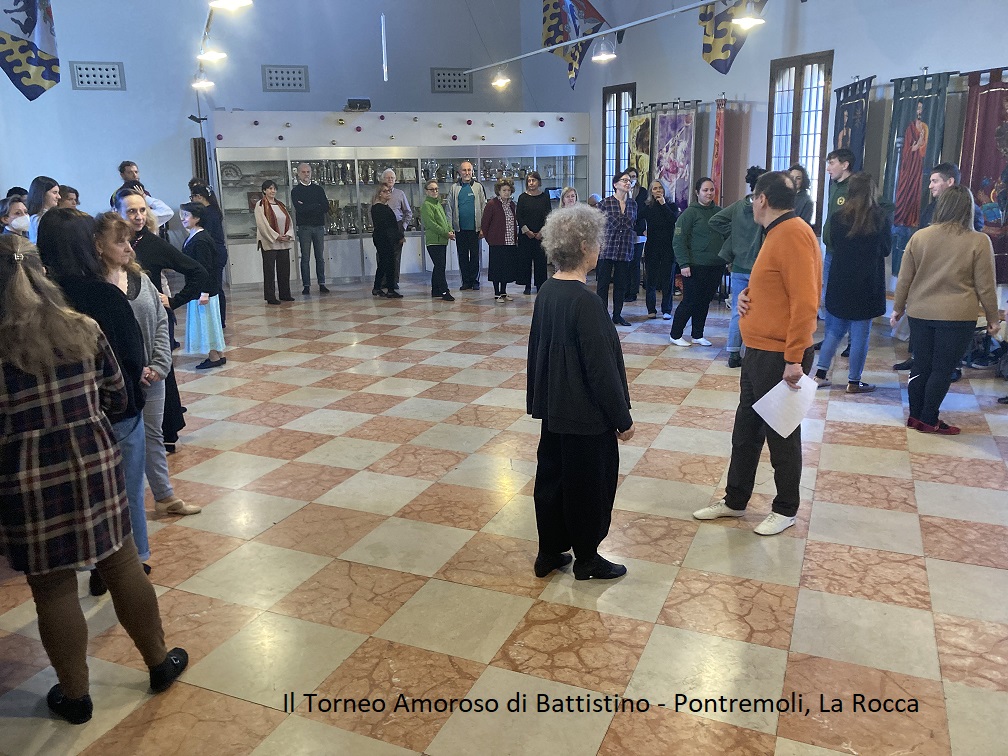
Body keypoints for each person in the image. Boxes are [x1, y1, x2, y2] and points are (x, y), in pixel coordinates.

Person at [0, 235, 188, 725]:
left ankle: (75, 696)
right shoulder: (82, 327)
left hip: (25, 475)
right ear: (42, 272)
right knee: (122, 565)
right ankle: (158, 662)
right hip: (94, 462)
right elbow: (116, 395)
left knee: (52, 588)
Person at [692, 172, 821, 536]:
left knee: (782, 436)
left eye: (752, 198)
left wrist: (794, 358)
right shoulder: (776, 231)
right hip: (759, 350)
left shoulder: (793, 232)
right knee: (745, 431)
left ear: (762, 198)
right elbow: (776, 283)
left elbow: (806, 300)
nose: (751, 204)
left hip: (779, 355)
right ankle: (735, 500)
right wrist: (748, 296)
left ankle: (786, 508)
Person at [35, 208, 152, 594]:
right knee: (127, 494)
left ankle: (93, 564)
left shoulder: (34, 301)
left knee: (77, 504)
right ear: (90, 245)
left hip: (55, 420)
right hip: (112, 413)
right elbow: (131, 357)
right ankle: (129, 564)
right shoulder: (102, 295)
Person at [527, 204, 634, 580]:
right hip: (586, 417)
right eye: (598, 241)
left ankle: (549, 552)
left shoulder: (547, 290)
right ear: (585, 246)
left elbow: (539, 351)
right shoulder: (587, 302)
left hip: (556, 409)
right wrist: (621, 418)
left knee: (553, 481)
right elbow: (601, 369)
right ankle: (587, 558)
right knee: (589, 487)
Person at [94, 212, 200, 517]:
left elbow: (161, 323)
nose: (129, 248)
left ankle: (164, 495)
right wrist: (132, 369)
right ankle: (124, 506)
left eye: (129, 241)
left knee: (153, 434)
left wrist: (159, 364)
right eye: (120, 242)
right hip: (121, 378)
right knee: (124, 441)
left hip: (152, 375)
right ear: (99, 245)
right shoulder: (94, 286)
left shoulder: (140, 279)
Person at [891, 186, 1000, 434]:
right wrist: (992, 318)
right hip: (957, 316)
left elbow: (905, 278)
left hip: (920, 312)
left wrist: (897, 308)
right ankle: (929, 419)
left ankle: (915, 416)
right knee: (942, 370)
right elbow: (985, 286)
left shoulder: (920, 236)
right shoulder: (979, 241)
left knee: (920, 365)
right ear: (968, 209)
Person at [115, 190, 207, 454]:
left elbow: (197, 271)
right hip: (125, 320)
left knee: (162, 373)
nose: (138, 216)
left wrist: (174, 301)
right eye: (131, 211)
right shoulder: (111, 245)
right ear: (117, 213)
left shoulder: (153, 243)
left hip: (155, 319)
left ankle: (167, 432)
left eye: (142, 210)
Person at [894, 162, 985, 372]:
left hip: (954, 284)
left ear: (950, 182)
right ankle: (916, 358)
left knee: (943, 360)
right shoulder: (931, 208)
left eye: (934, 181)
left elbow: (970, 243)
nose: (930, 186)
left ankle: (947, 369)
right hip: (927, 282)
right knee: (923, 352)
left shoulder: (972, 211)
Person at [812, 173, 892, 393]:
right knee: (860, 336)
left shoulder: (838, 217)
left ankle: (820, 375)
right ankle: (854, 382)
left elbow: (832, 243)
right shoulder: (880, 218)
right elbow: (886, 249)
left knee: (834, 332)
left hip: (840, 280)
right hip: (867, 284)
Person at [711, 167, 767, 367]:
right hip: (758, 267)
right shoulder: (765, 208)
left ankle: (733, 353)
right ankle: (754, 352)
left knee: (737, 310)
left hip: (737, 267)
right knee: (759, 311)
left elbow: (715, 221)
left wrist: (733, 232)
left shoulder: (738, 206)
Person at [669, 177, 724, 347]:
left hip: (715, 265)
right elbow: (679, 240)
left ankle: (697, 334)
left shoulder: (719, 212)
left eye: (711, 190)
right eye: (705, 190)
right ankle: (675, 334)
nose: (709, 193)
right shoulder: (689, 214)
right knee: (690, 301)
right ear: (697, 192)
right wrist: (684, 263)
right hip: (695, 265)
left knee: (705, 301)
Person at [179, 202, 226, 369]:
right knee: (210, 322)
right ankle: (219, 354)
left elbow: (206, 268)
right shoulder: (195, 236)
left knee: (206, 323)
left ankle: (213, 357)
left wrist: (204, 292)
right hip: (199, 288)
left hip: (203, 289)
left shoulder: (201, 240)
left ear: (197, 218)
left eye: (186, 215)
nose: (183, 219)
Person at [817, 148, 854, 346]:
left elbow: (883, 206)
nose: (828, 168)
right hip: (831, 251)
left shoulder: (856, 186)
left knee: (848, 297)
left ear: (845, 165)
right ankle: (829, 340)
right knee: (828, 297)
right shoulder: (834, 185)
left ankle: (852, 342)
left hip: (847, 253)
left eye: (832, 163)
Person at [597, 170, 637, 326]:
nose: (627, 183)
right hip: (607, 248)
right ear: (615, 184)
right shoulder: (605, 203)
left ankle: (617, 315)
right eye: (624, 180)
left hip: (625, 248)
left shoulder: (633, 204)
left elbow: (633, 225)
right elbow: (597, 225)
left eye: (629, 181)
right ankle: (602, 315)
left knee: (621, 285)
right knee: (603, 284)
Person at [188, 183, 229, 327]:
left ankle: (220, 320)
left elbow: (207, 236)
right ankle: (218, 319)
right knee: (216, 286)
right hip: (217, 252)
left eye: (192, 197)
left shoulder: (209, 213)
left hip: (215, 253)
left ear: (199, 197)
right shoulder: (211, 210)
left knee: (215, 288)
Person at [641, 180, 679, 320]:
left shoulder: (671, 205)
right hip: (652, 247)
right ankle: (651, 309)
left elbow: (673, 220)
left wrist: (663, 204)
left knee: (667, 280)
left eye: (660, 188)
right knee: (650, 280)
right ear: (651, 191)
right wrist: (642, 230)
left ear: (664, 190)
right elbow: (637, 218)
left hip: (668, 247)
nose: (658, 191)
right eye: (655, 188)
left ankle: (666, 309)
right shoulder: (648, 207)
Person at [290, 163, 329, 296]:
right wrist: (316, 205)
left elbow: (325, 207)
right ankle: (306, 285)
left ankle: (322, 283)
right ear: (298, 174)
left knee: (320, 257)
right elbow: (300, 209)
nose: (306, 174)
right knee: (305, 257)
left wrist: (308, 206)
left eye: (308, 172)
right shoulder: (296, 191)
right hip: (304, 228)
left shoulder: (318, 189)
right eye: (303, 172)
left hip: (318, 226)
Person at [446, 161, 487, 291]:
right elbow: (449, 209)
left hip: (475, 229)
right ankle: (466, 281)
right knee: (462, 256)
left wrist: (483, 228)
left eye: (469, 170)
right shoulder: (454, 188)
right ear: (459, 172)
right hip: (460, 229)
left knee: (475, 256)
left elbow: (484, 207)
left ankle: (475, 281)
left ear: (472, 171)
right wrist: (450, 228)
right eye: (464, 170)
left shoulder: (478, 187)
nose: (467, 172)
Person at [253, 179, 295, 305]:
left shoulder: (280, 204)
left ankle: (285, 294)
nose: (273, 191)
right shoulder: (260, 205)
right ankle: (270, 296)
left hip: (283, 242)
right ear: (264, 190)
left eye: (274, 189)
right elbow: (262, 224)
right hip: (269, 242)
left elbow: (289, 221)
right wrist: (276, 236)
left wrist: (288, 235)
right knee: (269, 270)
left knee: (284, 269)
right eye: (270, 188)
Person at [481, 177, 519, 302]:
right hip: (497, 242)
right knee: (497, 268)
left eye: (508, 190)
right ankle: (497, 293)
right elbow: (485, 224)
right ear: (499, 191)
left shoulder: (512, 205)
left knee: (506, 268)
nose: (506, 193)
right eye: (504, 190)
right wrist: (490, 239)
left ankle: (503, 291)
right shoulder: (492, 204)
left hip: (510, 241)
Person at [893, 100, 929, 229]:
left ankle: (912, 219)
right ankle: (901, 218)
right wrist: (916, 146)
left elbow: (923, 150)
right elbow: (907, 149)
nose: (919, 111)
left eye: (921, 108)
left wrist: (920, 144)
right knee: (905, 187)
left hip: (917, 163)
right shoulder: (910, 127)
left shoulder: (924, 127)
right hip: (908, 163)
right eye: (918, 108)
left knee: (915, 188)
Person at [419, 180, 455, 301]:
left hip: (442, 240)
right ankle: (445, 291)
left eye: (436, 189)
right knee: (440, 266)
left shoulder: (437, 204)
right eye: (432, 189)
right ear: (426, 191)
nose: (434, 191)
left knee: (439, 266)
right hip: (434, 241)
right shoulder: (426, 205)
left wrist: (450, 230)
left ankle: (436, 290)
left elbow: (444, 220)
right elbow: (431, 224)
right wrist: (445, 233)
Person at [516, 171, 551, 295]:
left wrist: (541, 232)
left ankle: (540, 285)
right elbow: (519, 216)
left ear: (539, 182)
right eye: (529, 181)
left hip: (540, 235)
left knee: (540, 261)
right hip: (526, 235)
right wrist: (527, 231)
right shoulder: (522, 197)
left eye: (533, 180)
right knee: (525, 261)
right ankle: (527, 285)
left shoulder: (545, 197)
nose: (531, 183)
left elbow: (548, 216)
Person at [110, 162, 173, 227]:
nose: (134, 175)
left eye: (136, 172)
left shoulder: (145, 193)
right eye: (130, 172)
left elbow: (165, 212)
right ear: (122, 175)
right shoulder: (117, 194)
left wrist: (145, 197)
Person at [371, 184, 404, 298]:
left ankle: (377, 287)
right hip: (384, 238)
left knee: (384, 263)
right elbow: (386, 225)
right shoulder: (378, 208)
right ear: (379, 194)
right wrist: (398, 236)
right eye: (385, 191)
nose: (388, 193)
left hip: (386, 237)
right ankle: (390, 289)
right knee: (389, 263)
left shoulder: (385, 206)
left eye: (389, 191)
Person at [381, 168, 412, 291]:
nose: (390, 180)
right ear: (383, 179)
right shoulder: (378, 193)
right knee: (382, 255)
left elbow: (408, 212)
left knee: (395, 256)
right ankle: (383, 280)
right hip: (382, 228)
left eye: (392, 178)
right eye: (387, 177)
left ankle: (393, 281)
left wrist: (403, 227)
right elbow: (370, 211)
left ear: (395, 180)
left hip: (397, 227)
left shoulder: (400, 194)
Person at [625, 167, 649, 303]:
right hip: (625, 231)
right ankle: (625, 289)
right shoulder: (622, 191)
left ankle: (633, 291)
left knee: (635, 262)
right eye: (629, 176)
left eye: (634, 176)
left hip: (638, 229)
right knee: (626, 262)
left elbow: (642, 209)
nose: (632, 179)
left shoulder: (642, 191)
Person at [25, 175, 60, 243]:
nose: (59, 197)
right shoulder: (37, 219)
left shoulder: (52, 216)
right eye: (54, 192)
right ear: (42, 194)